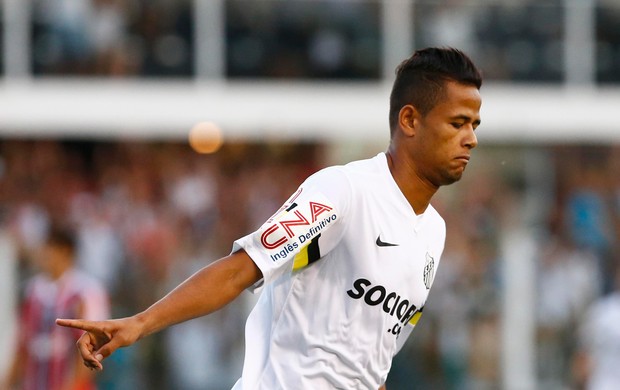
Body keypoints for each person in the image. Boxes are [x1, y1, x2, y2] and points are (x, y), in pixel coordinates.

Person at [56, 47, 482, 390]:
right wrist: (139, 323)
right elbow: (239, 272)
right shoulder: (343, 192)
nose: (472, 138)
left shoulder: (433, 233)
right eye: (458, 122)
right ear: (409, 119)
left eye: (475, 124)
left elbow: (371, 360)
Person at [2, 226, 109, 390]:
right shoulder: (33, 291)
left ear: (65, 252)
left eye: (50, 249)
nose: (44, 255)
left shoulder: (85, 292)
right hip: (35, 380)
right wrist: (8, 381)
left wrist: (75, 383)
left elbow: (93, 346)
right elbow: (23, 341)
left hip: (68, 380)